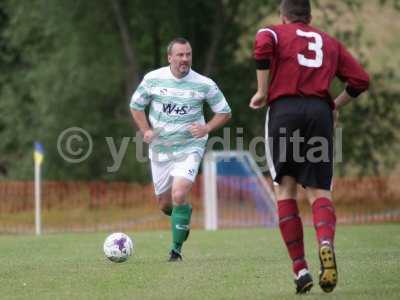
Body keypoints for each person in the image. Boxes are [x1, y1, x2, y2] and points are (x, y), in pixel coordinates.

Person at [249, 0, 369, 294]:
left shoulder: (275, 31)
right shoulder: (329, 42)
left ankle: (300, 269)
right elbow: (360, 80)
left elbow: (263, 42)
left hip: (285, 111)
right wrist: (334, 106)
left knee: (286, 189)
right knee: (319, 192)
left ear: (283, 15)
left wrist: (263, 91)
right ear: (310, 17)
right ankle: (325, 241)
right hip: (318, 113)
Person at [130, 37, 231, 261]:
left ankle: (175, 251)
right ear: (170, 57)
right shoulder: (153, 79)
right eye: (180, 55)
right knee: (166, 205)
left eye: (188, 54)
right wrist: (146, 130)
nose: (185, 59)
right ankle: (182, 215)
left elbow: (224, 111)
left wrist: (207, 128)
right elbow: (136, 105)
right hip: (160, 149)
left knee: (179, 193)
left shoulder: (204, 84)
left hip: (190, 147)